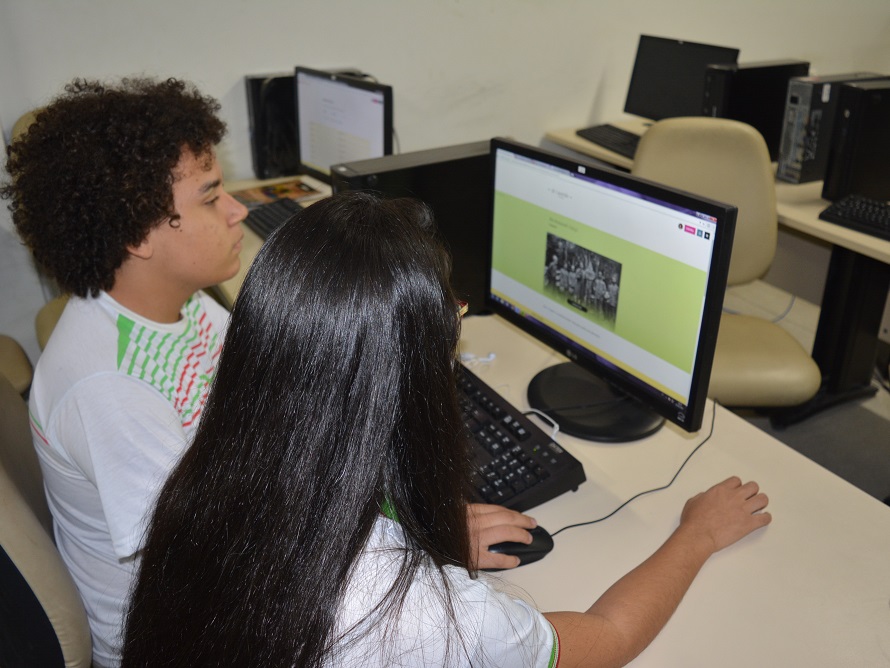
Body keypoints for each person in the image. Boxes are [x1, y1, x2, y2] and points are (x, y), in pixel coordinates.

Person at [1, 77, 532, 667]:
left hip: (243, 559)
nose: (238, 210)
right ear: (135, 235)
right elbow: (213, 558)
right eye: (210, 198)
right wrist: (421, 541)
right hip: (190, 634)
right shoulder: (107, 391)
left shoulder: (179, 305)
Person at [121, 192, 772, 667]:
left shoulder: (205, 480)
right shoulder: (416, 609)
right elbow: (606, 639)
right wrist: (697, 534)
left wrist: (432, 533)